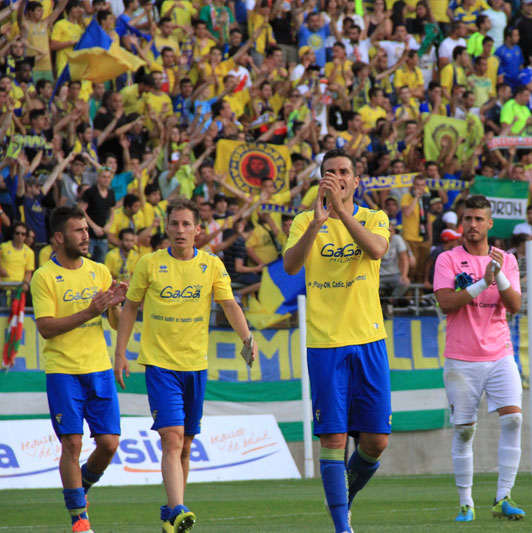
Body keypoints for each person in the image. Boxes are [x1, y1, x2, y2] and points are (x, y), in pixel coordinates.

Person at [113, 198, 256, 533]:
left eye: (186, 224)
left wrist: (247, 338)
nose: (180, 230)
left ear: (197, 230)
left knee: (187, 444)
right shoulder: (149, 264)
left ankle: (170, 516)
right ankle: (179, 508)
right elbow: (131, 307)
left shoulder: (211, 265)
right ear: (166, 227)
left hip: (196, 365)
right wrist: (120, 353)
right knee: (172, 438)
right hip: (160, 366)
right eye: (174, 224)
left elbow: (230, 305)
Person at [283, 149, 391, 533]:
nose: (337, 177)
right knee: (333, 437)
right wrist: (317, 223)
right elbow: (291, 266)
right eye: (330, 172)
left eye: (344, 172)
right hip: (326, 344)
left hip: (369, 341)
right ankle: (341, 527)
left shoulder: (375, 218)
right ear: (320, 178)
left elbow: (377, 250)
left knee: (376, 441)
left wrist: (342, 213)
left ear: (355, 180)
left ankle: (343, 500)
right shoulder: (303, 221)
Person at [31, 206, 128, 533]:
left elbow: (113, 322)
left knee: (110, 443)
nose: (86, 235)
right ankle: (79, 519)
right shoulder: (44, 276)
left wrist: (117, 304)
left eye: (86, 229)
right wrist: (90, 312)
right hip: (63, 371)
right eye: (78, 230)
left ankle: (80, 487)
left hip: (98, 368)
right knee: (71, 443)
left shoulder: (99, 271)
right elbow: (46, 327)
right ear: (59, 237)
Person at [433, 195, 524, 522]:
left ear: (489, 224)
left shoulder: (507, 260)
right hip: (461, 359)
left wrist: (497, 276)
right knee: (464, 431)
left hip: (500, 354)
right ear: (462, 223)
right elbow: (446, 302)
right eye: (467, 219)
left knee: (514, 419)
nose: (472, 225)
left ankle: (503, 497)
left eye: (478, 219)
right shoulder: (448, 259)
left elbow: (514, 305)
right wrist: (481, 282)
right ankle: (466, 503)